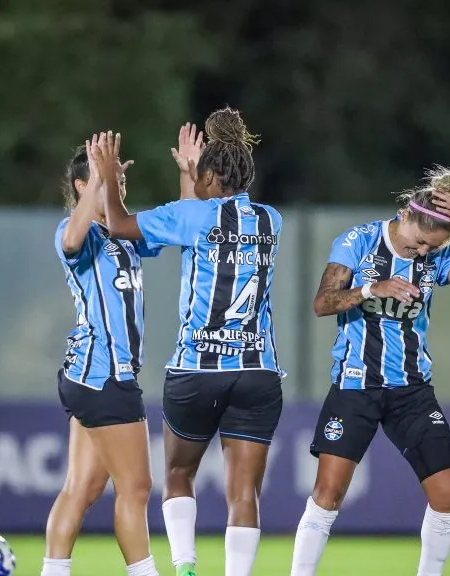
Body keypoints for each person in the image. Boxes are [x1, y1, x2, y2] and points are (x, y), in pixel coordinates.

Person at [95, 108, 284, 576]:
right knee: (245, 493)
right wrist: (189, 175)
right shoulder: (271, 221)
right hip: (257, 371)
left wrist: (105, 178)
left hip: (197, 370)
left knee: (179, 475)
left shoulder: (192, 214)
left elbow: (120, 225)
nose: (195, 182)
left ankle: (185, 567)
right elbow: (200, 220)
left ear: (214, 176)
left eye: (201, 176)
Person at [289, 167, 450, 576]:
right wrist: (371, 289)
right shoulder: (359, 242)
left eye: (430, 247)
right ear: (405, 213)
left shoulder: (436, 257)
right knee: (328, 492)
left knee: (448, 496)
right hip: (355, 384)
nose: (422, 252)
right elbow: (322, 302)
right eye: (420, 242)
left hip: (412, 390)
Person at [42, 135, 162, 576]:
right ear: (82, 185)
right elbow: (71, 241)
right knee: (136, 487)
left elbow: (178, 228)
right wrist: (99, 179)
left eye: (122, 178)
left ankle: (52, 571)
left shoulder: (121, 234)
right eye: (113, 178)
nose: (120, 185)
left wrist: (188, 175)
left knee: (82, 487)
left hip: (93, 374)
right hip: (104, 373)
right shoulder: (78, 231)